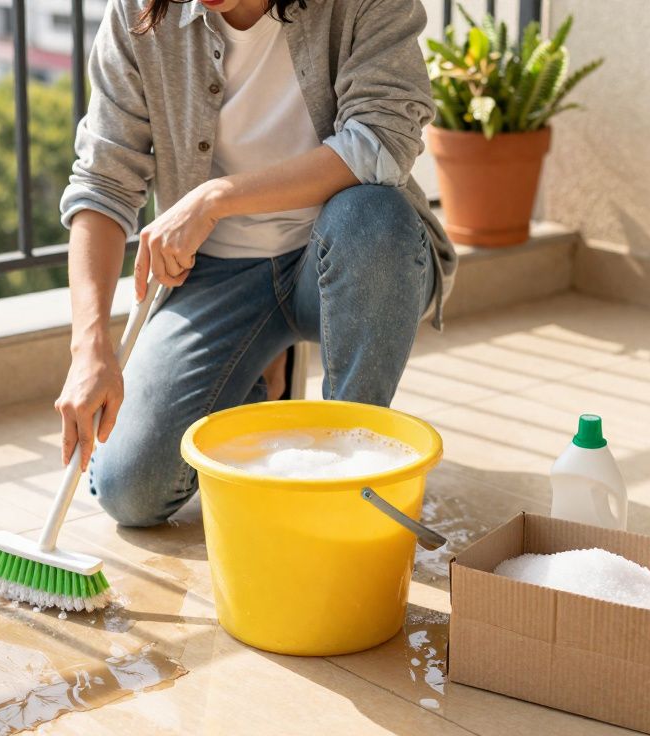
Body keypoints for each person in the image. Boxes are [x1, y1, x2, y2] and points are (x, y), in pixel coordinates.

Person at [55, 0, 456, 527]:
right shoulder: (139, 11)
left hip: (351, 256)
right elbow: (103, 181)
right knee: (130, 491)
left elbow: (382, 140)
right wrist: (90, 349)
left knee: (372, 214)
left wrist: (215, 197)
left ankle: (352, 466)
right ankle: (263, 380)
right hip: (217, 273)